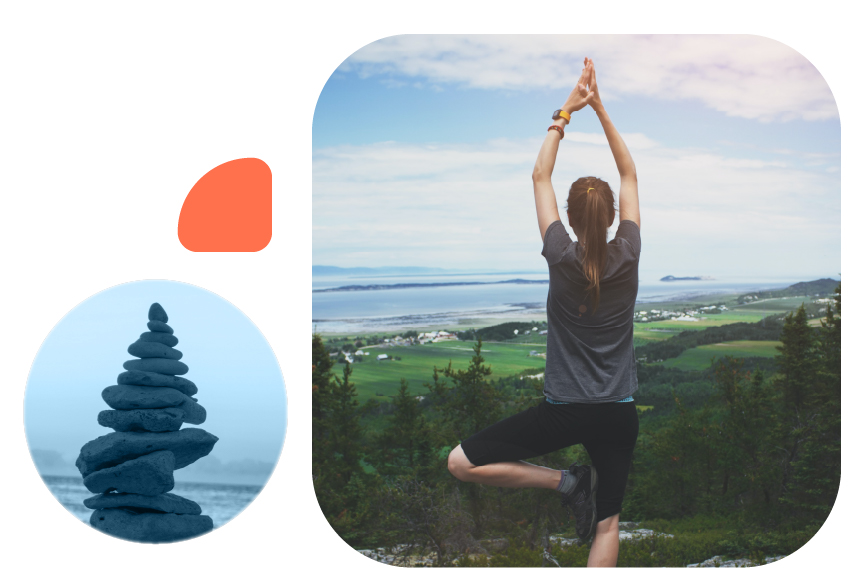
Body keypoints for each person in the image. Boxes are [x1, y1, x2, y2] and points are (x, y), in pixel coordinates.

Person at [446, 58, 641, 568]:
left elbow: (539, 174)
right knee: (608, 523)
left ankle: (563, 482)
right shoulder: (630, 251)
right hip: (618, 412)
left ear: (571, 219)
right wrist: (599, 108)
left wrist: (566, 113)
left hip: (564, 410)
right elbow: (629, 172)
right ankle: (576, 483)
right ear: (614, 218)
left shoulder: (560, 253)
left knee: (460, 462)